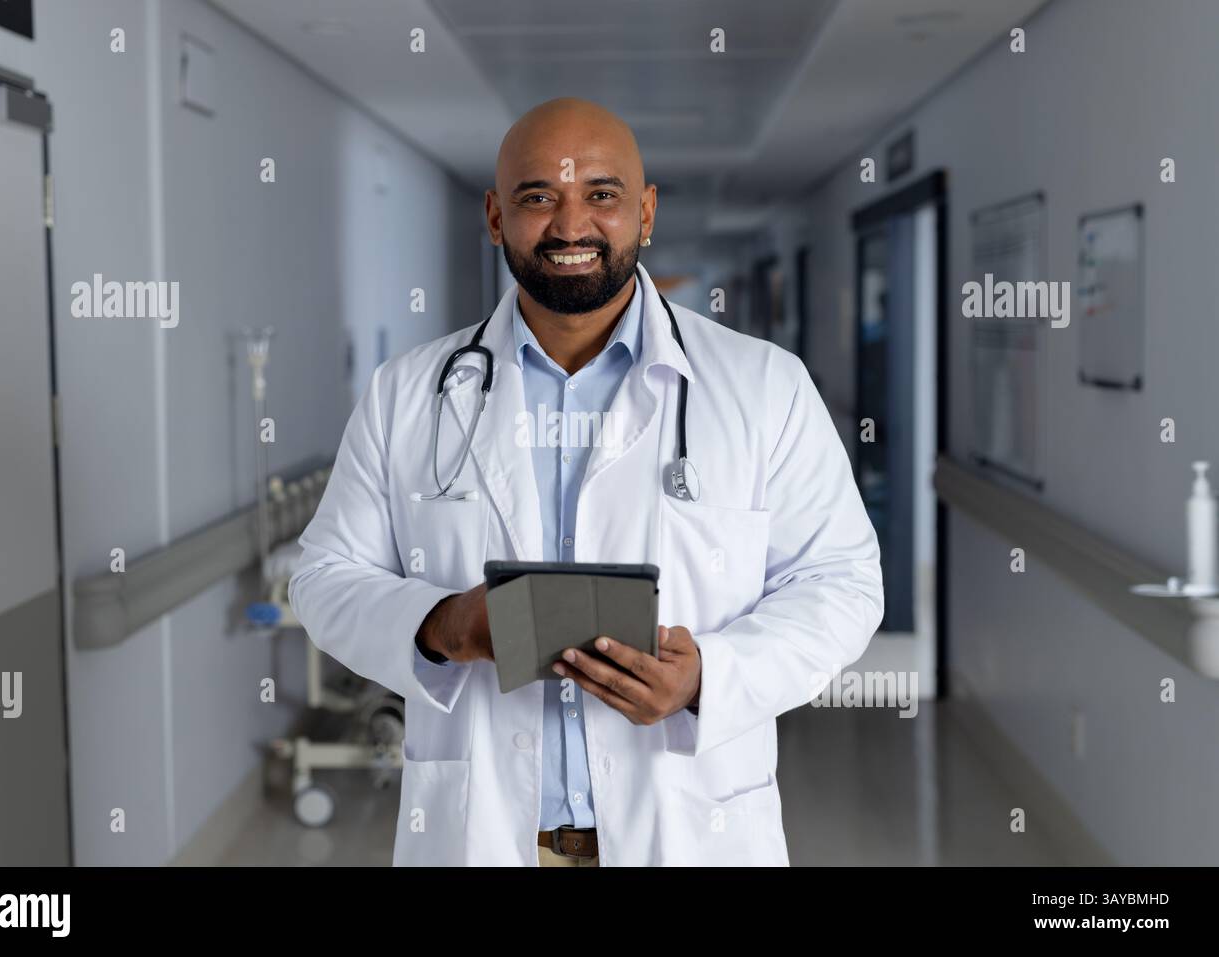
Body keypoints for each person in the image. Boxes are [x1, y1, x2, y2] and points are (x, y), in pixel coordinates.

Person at [288, 97, 883, 866]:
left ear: (646, 211)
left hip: (691, 832)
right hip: (487, 837)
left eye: (600, 194)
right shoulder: (409, 394)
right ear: (497, 216)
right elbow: (325, 579)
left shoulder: (763, 386)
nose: (571, 226)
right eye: (539, 197)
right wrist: (444, 625)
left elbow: (843, 582)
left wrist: (712, 675)